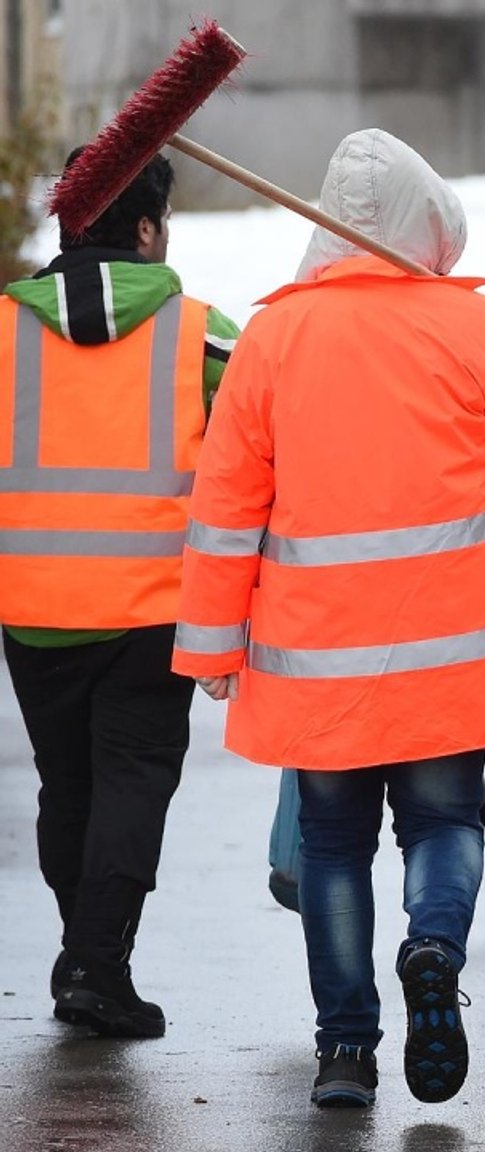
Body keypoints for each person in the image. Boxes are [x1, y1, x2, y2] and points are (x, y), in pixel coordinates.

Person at [174, 129, 485, 1108]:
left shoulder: (273, 340)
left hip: (313, 654)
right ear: (430, 223)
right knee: (443, 822)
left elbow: (226, 505)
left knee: (332, 845)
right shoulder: (479, 329)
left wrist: (210, 642)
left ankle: (343, 1050)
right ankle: (433, 948)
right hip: (453, 655)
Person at [0, 150, 238, 1038]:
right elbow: (267, 440)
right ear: (145, 229)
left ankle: (83, 955)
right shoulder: (204, 336)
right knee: (133, 782)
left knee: (69, 787)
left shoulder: (1, 331)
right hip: (153, 605)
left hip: (31, 608)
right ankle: (99, 965)